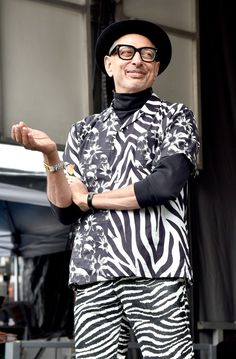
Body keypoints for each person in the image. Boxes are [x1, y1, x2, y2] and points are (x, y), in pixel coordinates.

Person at [11, 19, 199, 359]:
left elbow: (163, 185)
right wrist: (52, 154)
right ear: (108, 64)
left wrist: (93, 199)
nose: (137, 60)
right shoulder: (84, 131)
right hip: (93, 272)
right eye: (125, 52)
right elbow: (66, 209)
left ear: (156, 67)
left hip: (155, 267)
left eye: (147, 54)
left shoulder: (175, 117)